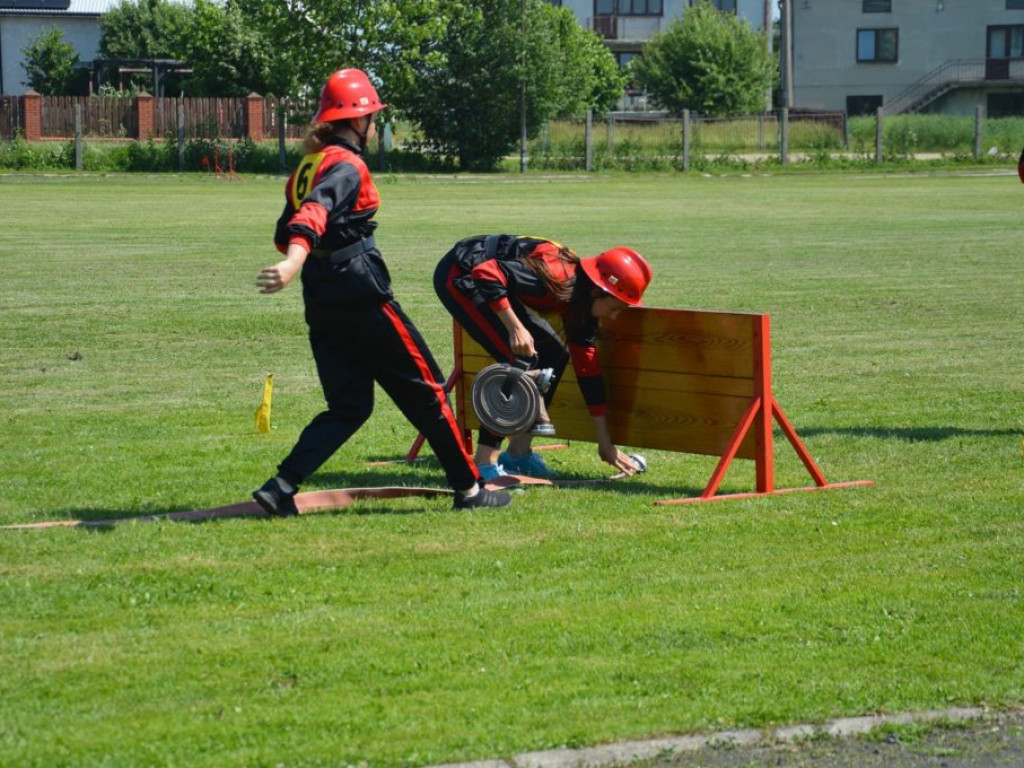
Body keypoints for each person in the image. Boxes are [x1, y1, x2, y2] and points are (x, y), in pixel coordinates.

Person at [252, 69, 510, 515]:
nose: (373, 124)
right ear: (356, 121)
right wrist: (294, 261)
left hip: (322, 297)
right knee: (428, 389)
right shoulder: (347, 165)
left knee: (349, 406)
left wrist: (300, 256)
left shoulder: (308, 164)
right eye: (370, 116)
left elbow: (285, 228)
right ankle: (470, 491)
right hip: (359, 292)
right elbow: (311, 216)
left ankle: (281, 486)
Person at [434, 234, 652, 480]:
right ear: (596, 291)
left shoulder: (581, 305)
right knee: (524, 360)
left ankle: (517, 455)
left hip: (487, 278)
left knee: (554, 357)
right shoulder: (555, 274)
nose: (613, 317)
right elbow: (487, 272)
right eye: (614, 308)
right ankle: (484, 464)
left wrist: (605, 443)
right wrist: (516, 328)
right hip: (460, 275)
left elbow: (588, 373)